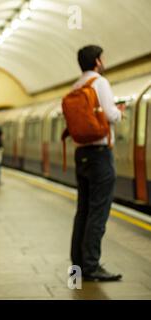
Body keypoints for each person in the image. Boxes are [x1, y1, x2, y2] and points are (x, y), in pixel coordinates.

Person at [70, 45, 126, 282]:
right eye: (102, 58)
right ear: (97, 61)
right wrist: (120, 112)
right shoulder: (99, 82)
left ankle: (79, 264)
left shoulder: (77, 85)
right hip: (100, 153)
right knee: (98, 212)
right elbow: (109, 115)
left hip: (81, 152)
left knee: (83, 210)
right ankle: (92, 266)